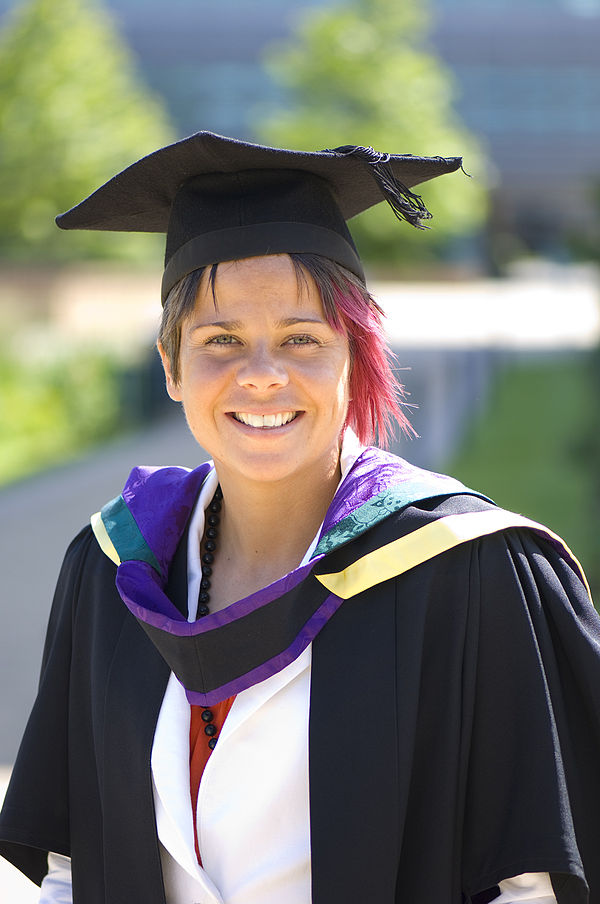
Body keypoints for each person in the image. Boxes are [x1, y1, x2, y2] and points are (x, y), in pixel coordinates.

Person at [0, 132, 599, 904]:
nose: (261, 375)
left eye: (302, 339)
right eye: (220, 340)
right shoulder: (114, 569)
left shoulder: (467, 570)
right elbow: (72, 873)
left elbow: (533, 887)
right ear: (170, 365)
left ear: (355, 357)